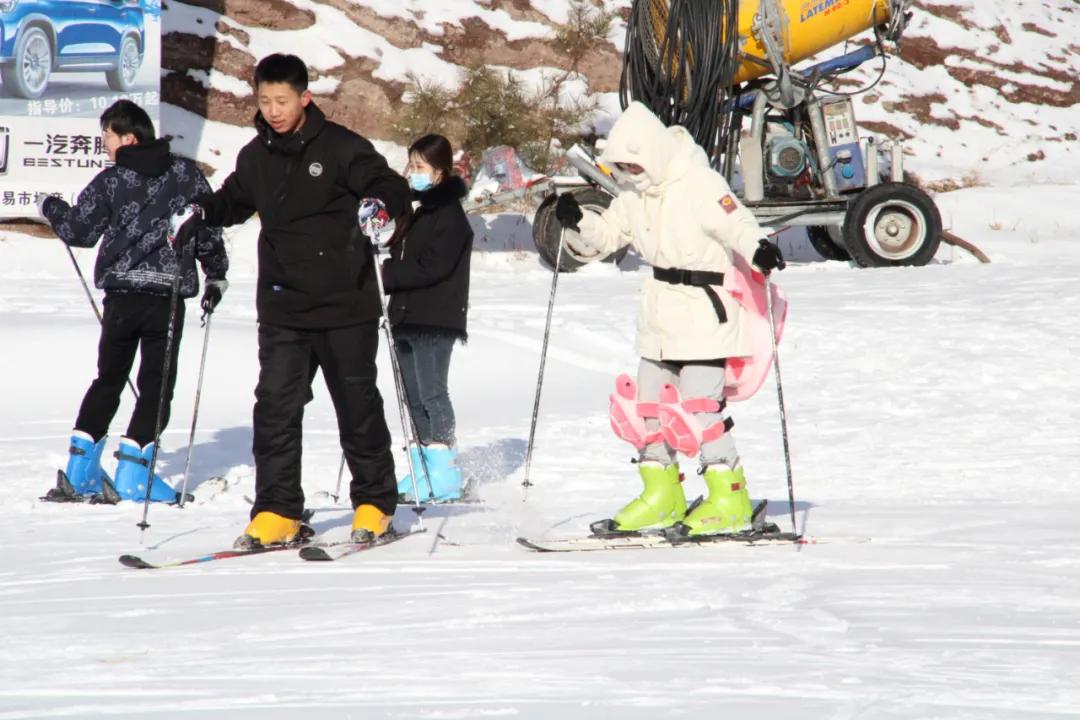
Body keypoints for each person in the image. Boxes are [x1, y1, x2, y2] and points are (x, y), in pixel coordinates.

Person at [173, 54, 410, 548]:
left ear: (305, 97)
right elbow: (234, 200)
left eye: (283, 100)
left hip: (346, 306)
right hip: (283, 308)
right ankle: (279, 509)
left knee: (356, 406)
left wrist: (379, 205)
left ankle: (374, 503)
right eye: (265, 101)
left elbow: (387, 184)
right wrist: (201, 209)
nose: (274, 110)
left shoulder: (342, 147)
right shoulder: (256, 156)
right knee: (275, 410)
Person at [553, 101, 786, 537]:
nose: (628, 171)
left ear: (653, 154)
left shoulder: (699, 183)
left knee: (700, 406)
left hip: (704, 312)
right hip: (658, 316)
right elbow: (605, 236)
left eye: (633, 163)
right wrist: (578, 221)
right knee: (647, 410)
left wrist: (759, 248)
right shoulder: (633, 197)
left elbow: (737, 223)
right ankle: (662, 495)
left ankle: (729, 497)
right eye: (621, 165)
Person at [38, 99, 228, 505]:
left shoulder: (113, 180)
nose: (103, 144)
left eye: (106, 135)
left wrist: (49, 207)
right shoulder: (185, 174)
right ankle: (133, 473)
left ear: (129, 137)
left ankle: (81, 469)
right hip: (166, 296)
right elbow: (206, 226)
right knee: (156, 385)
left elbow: (81, 231)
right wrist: (216, 274)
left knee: (108, 378)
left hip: (121, 297)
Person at [380, 134, 473, 503]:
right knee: (413, 397)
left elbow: (431, 268)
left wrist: (387, 274)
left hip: (435, 318)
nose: (413, 173)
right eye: (411, 165)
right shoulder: (419, 212)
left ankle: (445, 466)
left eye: (420, 167)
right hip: (406, 315)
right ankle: (424, 464)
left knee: (433, 392)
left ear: (440, 173)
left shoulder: (450, 217)